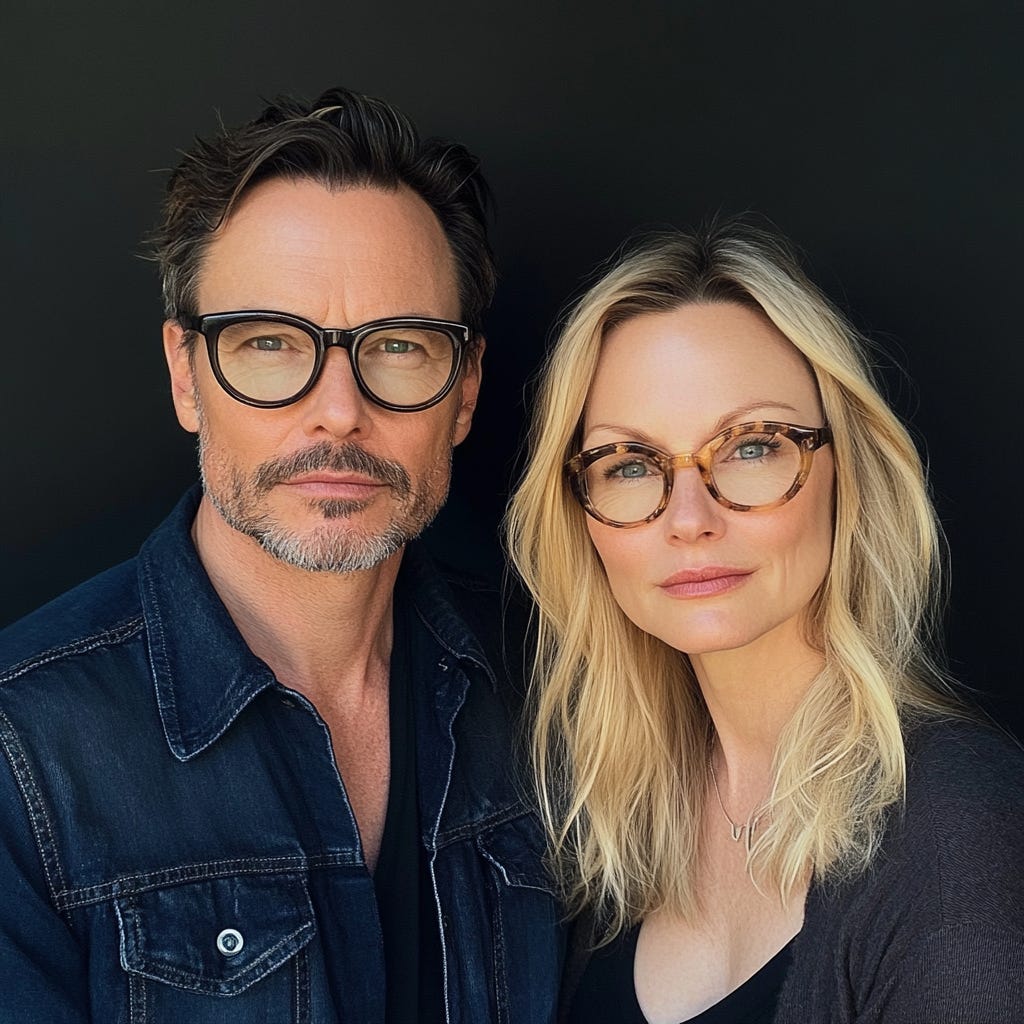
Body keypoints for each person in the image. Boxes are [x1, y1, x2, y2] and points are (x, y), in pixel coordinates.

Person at [0, 87, 560, 1023]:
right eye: (269, 343)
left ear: (464, 391)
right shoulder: (22, 754)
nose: (339, 411)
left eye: (399, 346)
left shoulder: (553, 687)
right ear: (187, 376)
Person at [506, 222, 1024, 1023]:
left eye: (751, 447)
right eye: (630, 465)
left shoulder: (960, 829)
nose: (689, 518)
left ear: (847, 471)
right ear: (581, 515)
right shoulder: (608, 824)